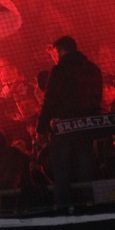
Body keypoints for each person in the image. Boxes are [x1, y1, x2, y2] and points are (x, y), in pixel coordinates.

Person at [35, 36, 102, 206]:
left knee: (62, 175)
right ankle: (91, 209)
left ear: (62, 51)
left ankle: (65, 213)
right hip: (86, 129)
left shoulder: (60, 70)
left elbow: (49, 99)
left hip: (63, 130)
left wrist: (41, 128)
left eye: (55, 52)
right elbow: (97, 99)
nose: (54, 55)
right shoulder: (93, 69)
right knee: (85, 171)